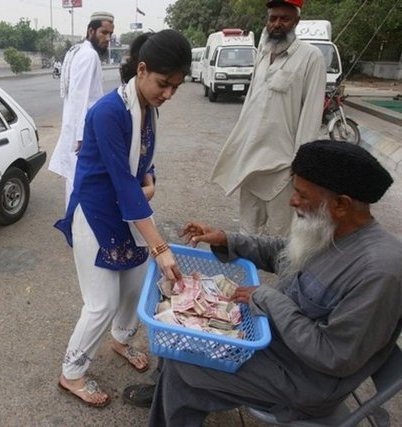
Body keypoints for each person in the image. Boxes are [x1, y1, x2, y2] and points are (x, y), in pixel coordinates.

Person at [144, 140, 401, 426]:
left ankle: (169, 403)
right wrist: (227, 239)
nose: (292, 201)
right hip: (275, 341)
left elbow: (333, 356)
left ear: (341, 204)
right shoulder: (335, 229)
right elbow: (285, 252)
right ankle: (167, 397)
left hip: (305, 380)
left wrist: (268, 299)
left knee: (183, 364)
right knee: (178, 334)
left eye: (302, 196)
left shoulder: (379, 271)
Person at [54, 29, 191, 408]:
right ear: (142, 69)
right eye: (164, 84)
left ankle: (121, 339)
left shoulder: (148, 107)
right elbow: (120, 180)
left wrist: (149, 179)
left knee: (133, 286)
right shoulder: (108, 111)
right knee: (101, 302)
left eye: (176, 87)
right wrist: (160, 246)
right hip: (97, 214)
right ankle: (72, 373)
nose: (168, 94)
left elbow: (143, 160)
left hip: (128, 212)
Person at [210, 0, 327, 237]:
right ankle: (250, 274)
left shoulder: (311, 58)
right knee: (247, 233)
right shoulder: (263, 55)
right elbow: (250, 108)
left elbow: (311, 116)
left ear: (296, 21)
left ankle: (284, 276)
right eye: (273, 18)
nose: (277, 24)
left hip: (283, 168)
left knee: (281, 238)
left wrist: (301, 166)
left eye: (284, 18)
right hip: (251, 165)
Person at [48, 11, 115, 209]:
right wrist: (82, 136)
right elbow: (81, 97)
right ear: (91, 30)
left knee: (74, 180)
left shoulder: (76, 50)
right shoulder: (89, 55)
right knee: (81, 182)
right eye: (104, 33)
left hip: (76, 127)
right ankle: (77, 229)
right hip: (83, 133)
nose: (108, 38)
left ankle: (75, 227)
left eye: (110, 34)